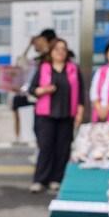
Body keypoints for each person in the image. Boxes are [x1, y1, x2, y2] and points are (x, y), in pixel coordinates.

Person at [26, 37, 85, 193]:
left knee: (63, 148)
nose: (60, 52)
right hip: (46, 115)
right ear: (51, 52)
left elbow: (80, 93)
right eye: (57, 49)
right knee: (45, 147)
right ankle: (40, 179)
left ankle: (56, 179)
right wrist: (44, 90)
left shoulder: (73, 68)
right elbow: (32, 89)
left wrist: (80, 112)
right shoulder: (43, 67)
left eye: (63, 49)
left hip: (67, 114)